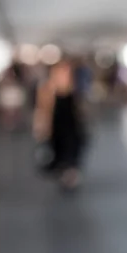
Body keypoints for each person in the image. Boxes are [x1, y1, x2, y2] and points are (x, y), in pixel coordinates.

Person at [33, 60, 86, 190]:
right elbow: (43, 110)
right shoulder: (48, 90)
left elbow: (80, 111)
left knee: (71, 154)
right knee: (62, 154)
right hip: (58, 131)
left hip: (71, 130)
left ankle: (69, 175)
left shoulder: (73, 91)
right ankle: (66, 175)